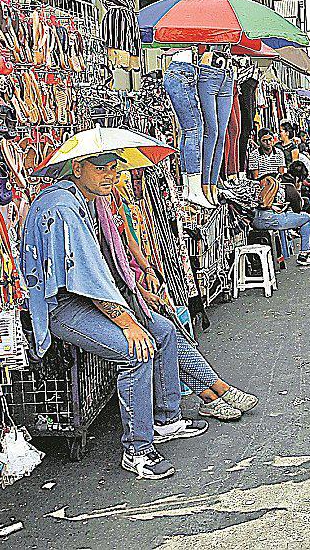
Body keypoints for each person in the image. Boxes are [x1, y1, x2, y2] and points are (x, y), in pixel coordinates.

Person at [21, 152, 208, 480]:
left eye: (112, 168)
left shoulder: (85, 198)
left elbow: (102, 269)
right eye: (100, 168)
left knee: (161, 329)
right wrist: (126, 322)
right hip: (61, 306)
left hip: (83, 297)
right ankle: (137, 451)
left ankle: (166, 419)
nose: (109, 175)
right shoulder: (63, 206)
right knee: (136, 351)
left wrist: (137, 297)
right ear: (77, 168)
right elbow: (88, 279)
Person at [106, 176, 258, 423]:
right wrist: (141, 292)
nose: (111, 176)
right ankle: (217, 392)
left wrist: (147, 269)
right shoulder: (93, 210)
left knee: (170, 335)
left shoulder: (113, 201)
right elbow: (107, 267)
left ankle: (213, 395)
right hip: (121, 293)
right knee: (166, 335)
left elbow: (130, 243)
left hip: (133, 285)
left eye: (113, 170)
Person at [251, 175, 310, 266]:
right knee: (306, 218)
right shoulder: (289, 189)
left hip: (256, 221)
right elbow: (297, 209)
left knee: (283, 222)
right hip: (273, 220)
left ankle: (285, 253)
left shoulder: (256, 187)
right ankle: (304, 254)